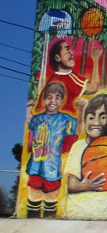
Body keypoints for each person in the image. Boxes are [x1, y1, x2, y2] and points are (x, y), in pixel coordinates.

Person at [24, 81, 81, 218]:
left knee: (50, 200)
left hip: (52, 168)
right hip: (35, 166)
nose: (52, 101)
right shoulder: (38, 118)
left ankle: (49, 220)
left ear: (61, 101)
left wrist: (82, 110)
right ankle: (32, 223)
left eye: (56, 98)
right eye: (49, 97)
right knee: (34, 199)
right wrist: (28, 107)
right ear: (43, 100)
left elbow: (78, 130)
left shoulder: (63, 118)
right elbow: (29, 121)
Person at [33, 39, 102, 118]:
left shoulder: (54, 78)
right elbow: (93, 87)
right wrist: (95, 59)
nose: (71, 53)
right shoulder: (67, 78)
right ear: (57, 57)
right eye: (67, 50)